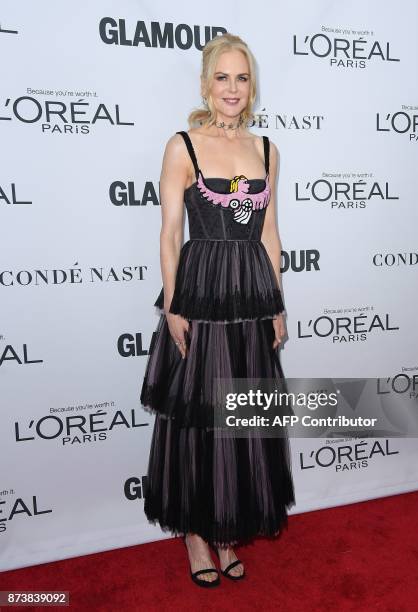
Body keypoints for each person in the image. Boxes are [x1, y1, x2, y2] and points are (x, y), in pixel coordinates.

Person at [140, 32, 295, 587]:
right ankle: (197, 536)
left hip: (251, 296)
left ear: (252, 87)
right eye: (223, 77)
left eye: (243, 77)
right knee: (199, 417)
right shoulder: (182, 145)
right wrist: (174, 305)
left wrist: (277, 305)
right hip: (201, 293)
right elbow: (169, 232)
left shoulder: (267, 149)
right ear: (206, 83)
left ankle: (227, 525)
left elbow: (271, 234)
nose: (232, 88)